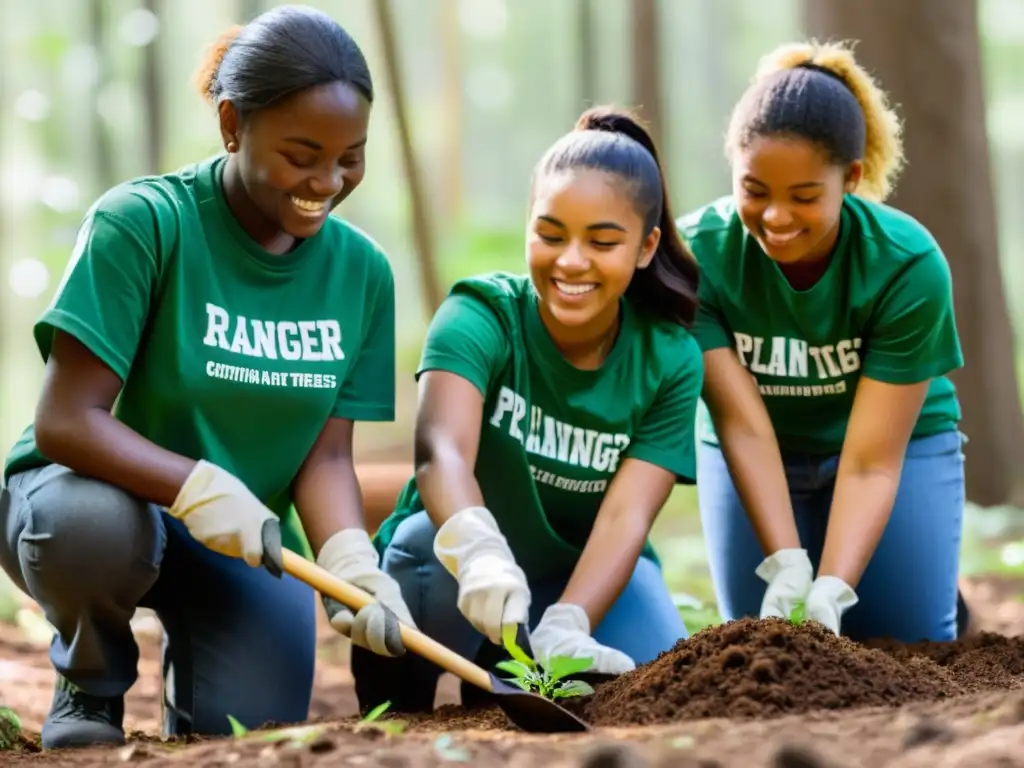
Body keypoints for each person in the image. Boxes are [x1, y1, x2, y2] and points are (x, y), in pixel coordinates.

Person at [0, 6, 416, 750]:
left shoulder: (362, 273)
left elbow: (325, 456)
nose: (328, 180)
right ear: (232, 125)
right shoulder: (143, 224)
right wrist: (195, 485)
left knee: (249, 731)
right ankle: (90, 685)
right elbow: (67, 421)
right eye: (301, 154)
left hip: (238, 534)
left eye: (350, 156)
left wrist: (351, 558)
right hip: (87, 503)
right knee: (94, 529)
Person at [348, 105, 705, 714]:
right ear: (527, 227)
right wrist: (480, 553)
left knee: (660, 687)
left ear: (645, 248)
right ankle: (412, 697)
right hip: (462, 562)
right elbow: (442, 454)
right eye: (550, 233)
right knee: (420, 551)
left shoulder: (670, 358)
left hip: (586, 575)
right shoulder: (479, 316)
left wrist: (573, 619)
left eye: (602, 241)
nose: (570, 261)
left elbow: (626, 518)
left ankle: (519, 655)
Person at [679, 40, 965, 643]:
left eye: (805, 197)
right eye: (754, 191)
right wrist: (785, 562)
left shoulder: (906, 265)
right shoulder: (697, 257)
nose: (777, 218)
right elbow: (741, 425)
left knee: (906, 637)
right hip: (757, 448)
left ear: (851, 178)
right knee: (760, 639)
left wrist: (832, 586)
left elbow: (870, 462)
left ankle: (920, 574)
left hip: (889, 452)